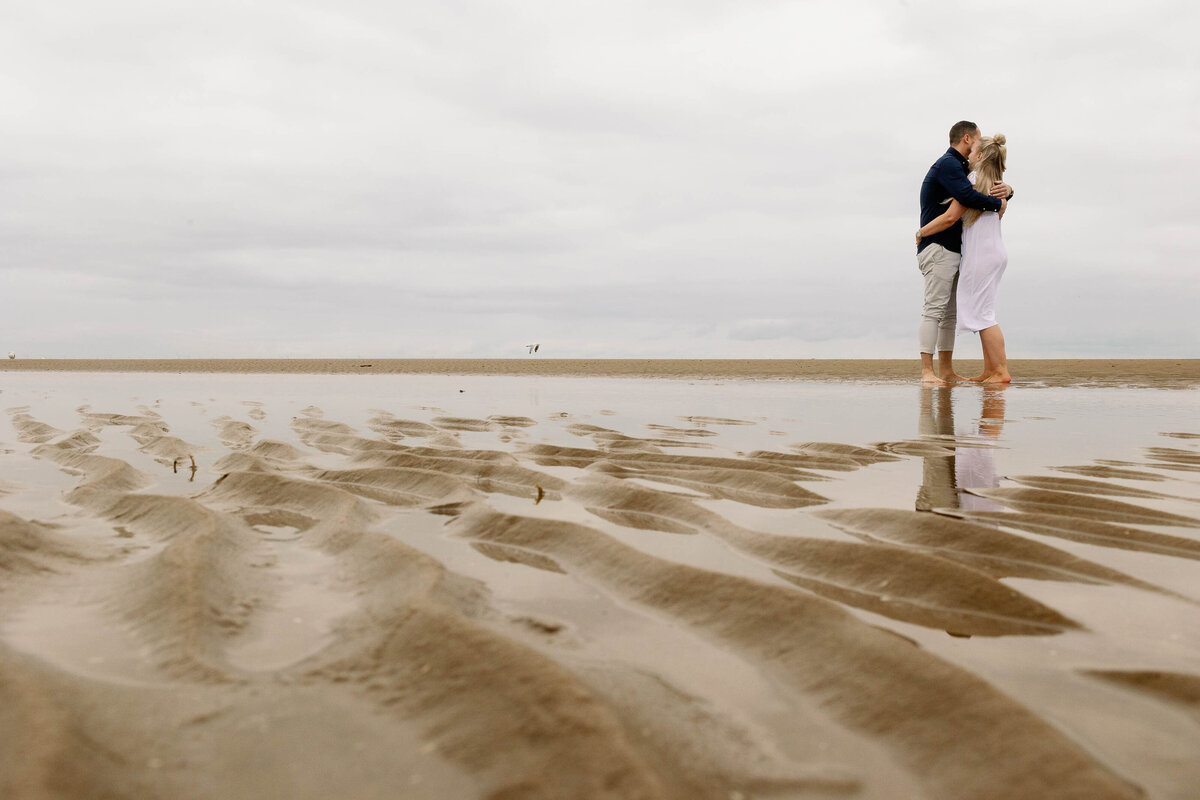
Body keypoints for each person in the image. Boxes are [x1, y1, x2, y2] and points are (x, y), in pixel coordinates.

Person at [914, 121, 1012, 384]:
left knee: (968, 314)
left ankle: (985, 371)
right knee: (940, 311)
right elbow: (953, 213)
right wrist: (1002, 199)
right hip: (944, 249)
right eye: (978, 140)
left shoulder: (970, 176)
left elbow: (957, 210)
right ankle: (931, 371)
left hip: (967, 253)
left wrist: (1006, 196)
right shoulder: (952, 167)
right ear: (968, 140)